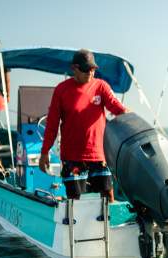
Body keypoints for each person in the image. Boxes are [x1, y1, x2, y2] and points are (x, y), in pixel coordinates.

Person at [39, 49, 127, 200]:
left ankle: (109, 222)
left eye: (93, 69)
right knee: (75, 199)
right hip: (72, 156)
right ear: (75, 68)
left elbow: (118, 108)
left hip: (98, 154)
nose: (90, 73)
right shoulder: (61, 90)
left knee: (107, 195)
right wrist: (45, 152)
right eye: (86, 69)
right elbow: (52, 124)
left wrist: (133, 120)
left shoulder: (101, 86)